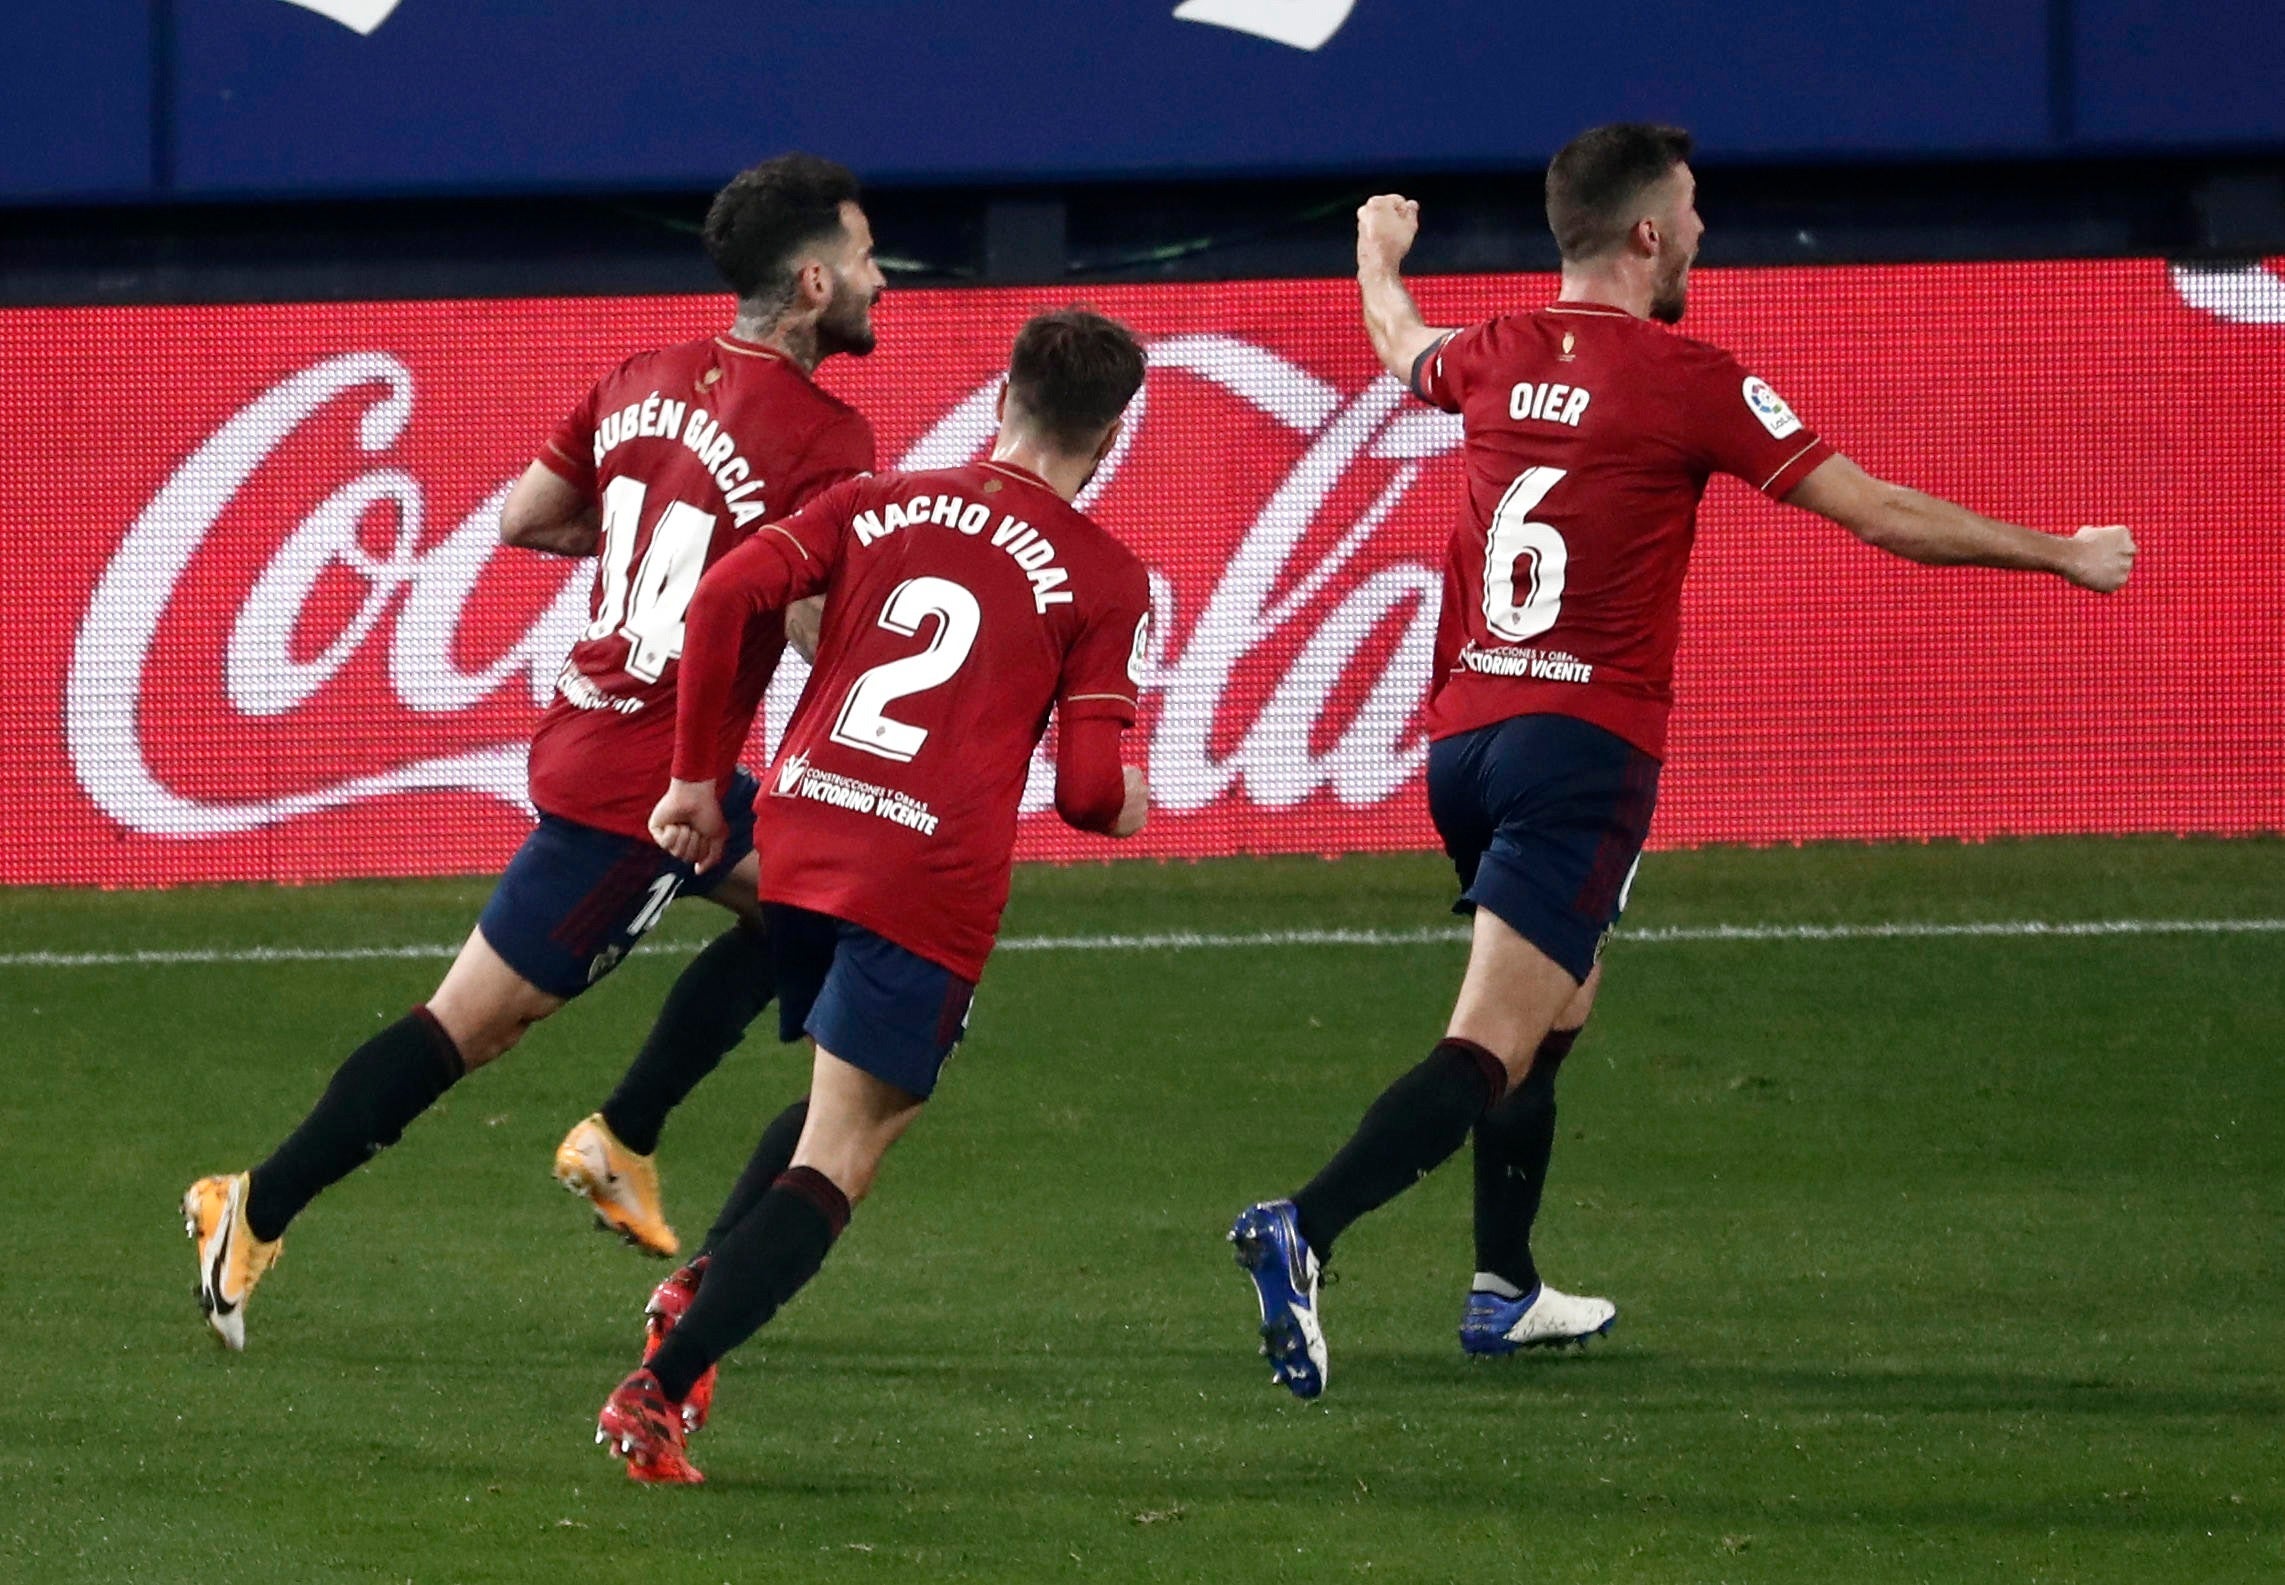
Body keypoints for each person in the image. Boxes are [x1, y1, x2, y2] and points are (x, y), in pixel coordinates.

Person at [1228, 122, 2138, 1399]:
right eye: (1692, 209)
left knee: (1557, 1008)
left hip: (1464, 744)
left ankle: (1503, 1288)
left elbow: (1395, 346)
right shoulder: (1687, 377)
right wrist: (2059, 553)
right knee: (1486, 1042)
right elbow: (1874, 509)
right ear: (1647, 232)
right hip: (1579, 751)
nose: (1704, 230)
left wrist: (1376, 255)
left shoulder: (1491, 354)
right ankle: (1301, 1229)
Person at [182, 153, 885, 1349]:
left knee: (812, 902)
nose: (883, 278)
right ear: (812, 283)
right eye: (868, 259)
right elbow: (819, 618)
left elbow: (526, 519)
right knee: (473, 1024)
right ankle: (253, 1202)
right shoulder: (826, 436)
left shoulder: (641, 375)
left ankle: (623, 1137)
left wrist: (657, 571)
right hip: (647, 788)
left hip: (606, 727)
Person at [592, 307, 1154, 1484]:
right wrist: (1133, 802)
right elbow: (1092, 793)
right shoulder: (1102, 576)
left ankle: (701, 1281)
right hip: (922, 875)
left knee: (838, 1102)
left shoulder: (872, 501)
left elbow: (715, 603)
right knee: (850, 1146)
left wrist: (699, 781)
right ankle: (661, 1382)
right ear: (1107, 440)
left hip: (798, 841)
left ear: (1002, 397)